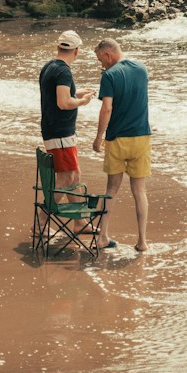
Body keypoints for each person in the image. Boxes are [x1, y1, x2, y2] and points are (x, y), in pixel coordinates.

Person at [92, 38, 151, 253]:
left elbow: (107, 109)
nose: (101, 65)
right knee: (139, 191)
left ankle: (102, 236)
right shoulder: (142, 69)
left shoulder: (109, 76)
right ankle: (142, 241)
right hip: (141, 137)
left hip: (117, 139)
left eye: (101, 60)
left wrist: (99, 136)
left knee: (111, 190)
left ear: (108, 55)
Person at [38, 29, 93, 193]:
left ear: (58, 47)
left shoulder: (49, 66)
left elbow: (55, 97)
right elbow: (63, 103)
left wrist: (76, 94)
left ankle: (79, 219)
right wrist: (83, 101)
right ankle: (42, 219)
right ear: (77, 51)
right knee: (66, 178)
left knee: (75, 176)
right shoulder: (64, 71)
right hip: (60, 132)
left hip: (55, 129)